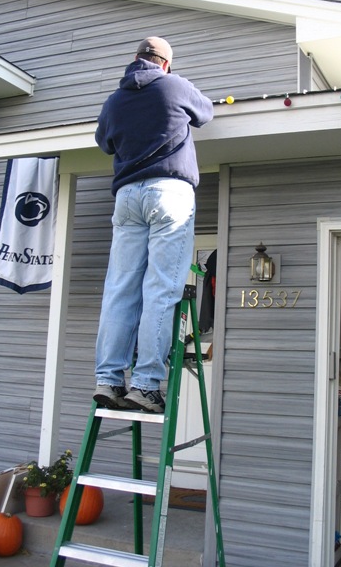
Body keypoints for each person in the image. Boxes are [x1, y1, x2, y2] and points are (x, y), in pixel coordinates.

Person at [93, 36, 214, 413]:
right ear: (165, 63)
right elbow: (206, 112)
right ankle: (145, 386)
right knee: (161, 289)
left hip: (127, 196)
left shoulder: (114, 101)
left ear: (135, 59)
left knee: (120, 289)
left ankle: (109, 380)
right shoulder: (175, 85)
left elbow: (104, 143)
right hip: (168, 191)